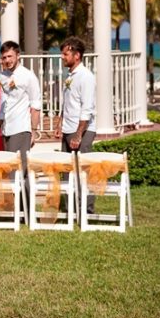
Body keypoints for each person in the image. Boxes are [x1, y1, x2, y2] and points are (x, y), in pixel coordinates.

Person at [0, 42, 41, 182]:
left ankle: (24, 197)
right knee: (12, 170)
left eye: (10, 56)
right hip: (6, 130)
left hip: (21, 129)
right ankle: (18, 196)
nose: (7, 60)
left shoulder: (28, 76)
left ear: (18, 55)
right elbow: (4, 104)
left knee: (20, 170)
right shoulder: (3, 76)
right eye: (4, 57)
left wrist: (34, 132)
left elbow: (35, 106)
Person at [54, 36, 96, 212]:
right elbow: (67, 103)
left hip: (82, 131)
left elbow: (87, 108)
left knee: (83, 171)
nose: (62, 57)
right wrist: (60, 124)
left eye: (65, 54)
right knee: (67, 171)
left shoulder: (86, 76)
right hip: (68, 128)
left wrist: (79, 135)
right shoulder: (71, 75)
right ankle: (71, 208)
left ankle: (86, 209)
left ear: (77, 55)